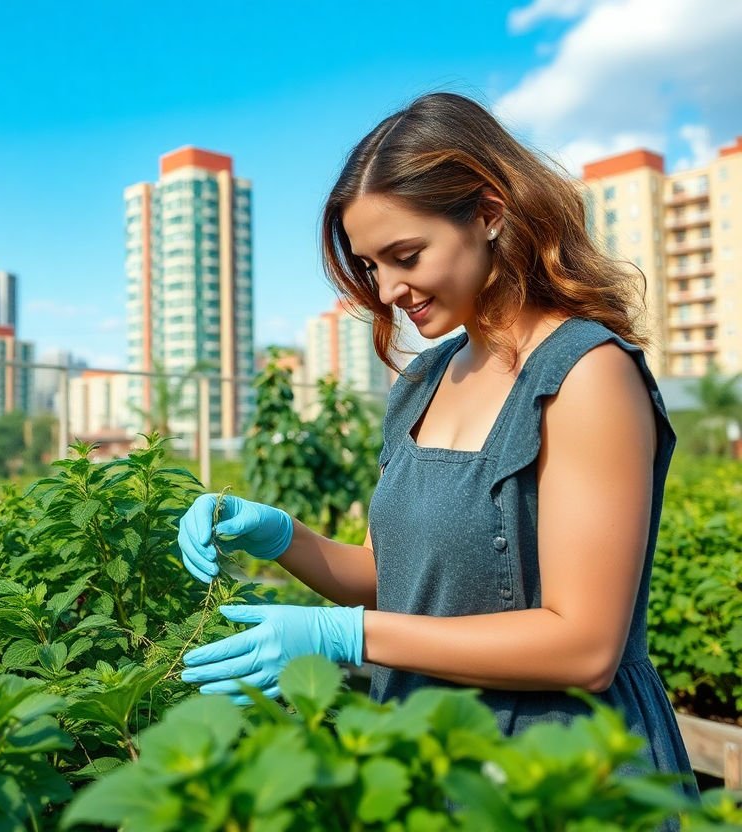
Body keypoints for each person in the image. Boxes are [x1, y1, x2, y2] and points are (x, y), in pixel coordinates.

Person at [175, 92, 699, 811]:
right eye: (371, 264)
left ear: (489, 213)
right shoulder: (424, 380)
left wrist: (343, 636)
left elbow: (585, 645)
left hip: (558, 773)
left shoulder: (585, 373)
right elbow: (391, 580)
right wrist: (281, 536)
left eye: (405, 255)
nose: (387, 290)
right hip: (425, 754)